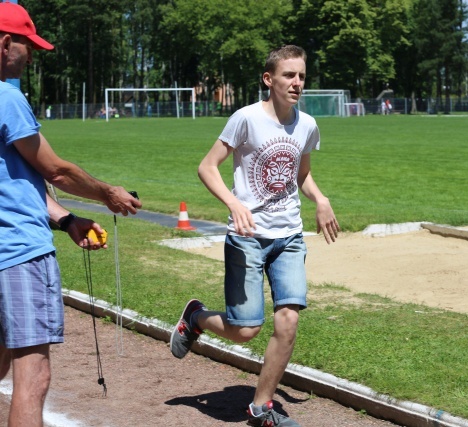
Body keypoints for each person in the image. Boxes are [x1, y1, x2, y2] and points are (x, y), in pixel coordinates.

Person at [170, 45, 339, 427]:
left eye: (301, 76)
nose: (297, 83)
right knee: (246, 329)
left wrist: (320, 198)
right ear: (269, 79)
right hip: (247, 237)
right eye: (288, 75)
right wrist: (233, 203)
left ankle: (261, 408)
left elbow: (301, 174)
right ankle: (195, 318)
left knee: (288, 321)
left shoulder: (308, 125)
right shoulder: (245, 118)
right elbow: (207, 166)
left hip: (290, 236)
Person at [0, 3, 142, 425]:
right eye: (29, 45)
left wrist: (65, 220)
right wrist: (107, 193)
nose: (32, 55)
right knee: (32, 374)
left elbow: (16, 180)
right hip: (17, 253)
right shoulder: (6, 97)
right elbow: (55, 171)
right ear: (6, 43)